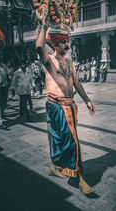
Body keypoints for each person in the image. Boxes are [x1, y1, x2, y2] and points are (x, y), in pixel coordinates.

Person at [36, 27, 96, 195]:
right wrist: (42, 24)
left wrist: (87, 100)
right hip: (56, 106)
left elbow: (76, 82)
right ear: (55, 44)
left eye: (67, 41)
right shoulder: (48, 60)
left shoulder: (68, 62)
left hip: (70, 105)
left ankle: (69, 171)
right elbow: (39, 46)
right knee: (64, 141)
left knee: (69, 141)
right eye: (63, 42)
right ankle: (77, 179)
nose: (66, 44)